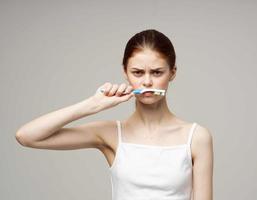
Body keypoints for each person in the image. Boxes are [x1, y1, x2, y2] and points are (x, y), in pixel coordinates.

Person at [15, 29, 214, 200]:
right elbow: (26, 136)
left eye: (156, 72)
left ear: (172, 73)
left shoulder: (196, 137)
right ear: (125, 72)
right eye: (137, 72)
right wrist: (92, 105)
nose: (146, 82)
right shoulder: (110, 133)